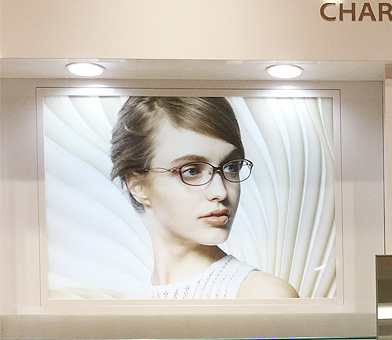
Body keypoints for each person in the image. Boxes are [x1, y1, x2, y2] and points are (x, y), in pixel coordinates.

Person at [110, 96, 299, 299]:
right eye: (191, 171)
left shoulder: (265, 296)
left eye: (231, 167)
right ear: (138, 186)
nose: (221, 192)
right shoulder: (130, 304)